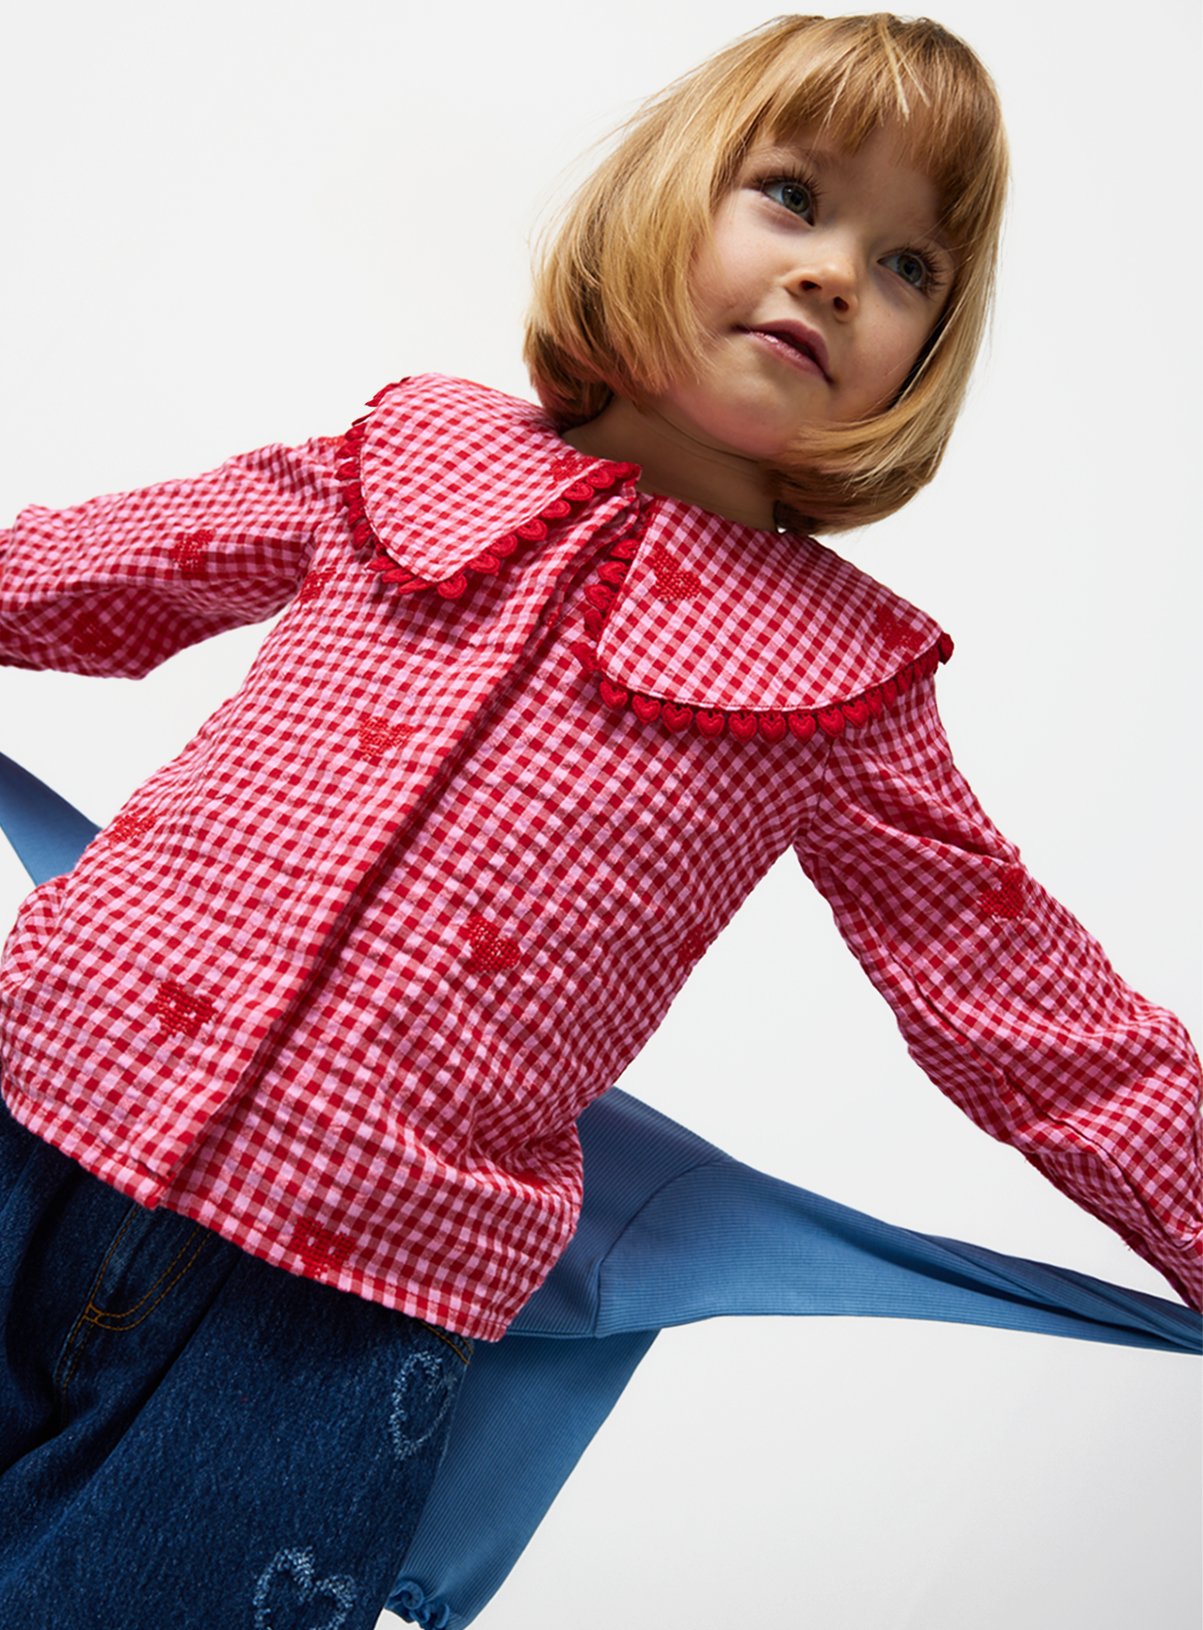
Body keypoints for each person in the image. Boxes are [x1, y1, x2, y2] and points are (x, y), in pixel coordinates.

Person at [0, 13, 1198, 1629]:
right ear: (665, 194)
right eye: (794, 195)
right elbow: (97, 568)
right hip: (29, 1106)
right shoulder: (409, 454)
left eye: (910, 264)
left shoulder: (845, 685)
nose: (838, 273)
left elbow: (1039, 1018)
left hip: (329, 1315)